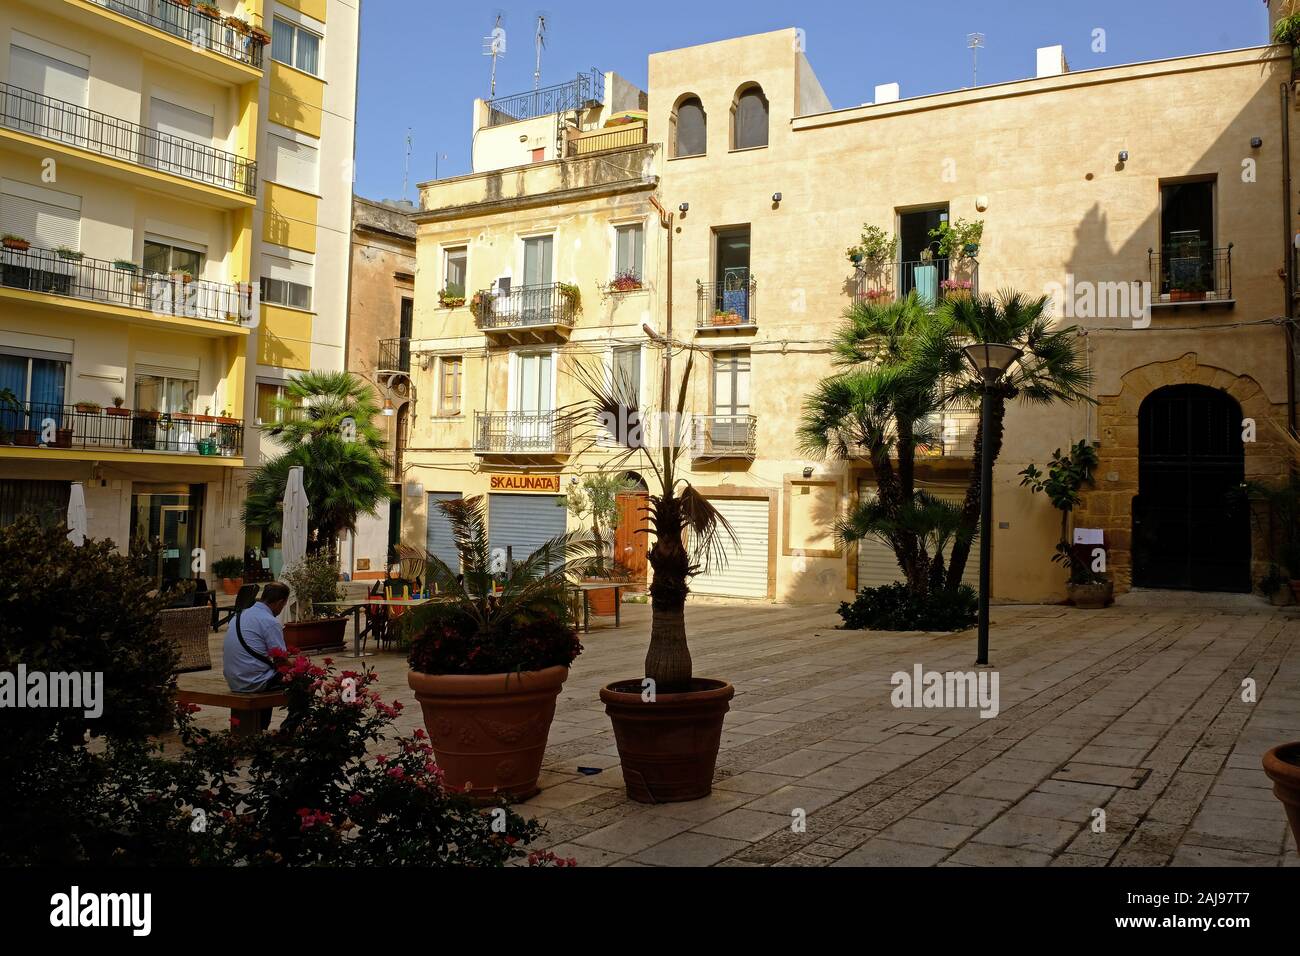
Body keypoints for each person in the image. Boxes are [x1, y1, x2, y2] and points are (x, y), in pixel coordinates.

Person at [223, 581, 290, 730]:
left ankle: (259, 727)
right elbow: (281, 660)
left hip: (234, 678)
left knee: (267, 673)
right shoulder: (270, 622)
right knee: (303, 685)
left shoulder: (239, 616)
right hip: (253, 681)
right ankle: (288, 729)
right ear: (280, 602)